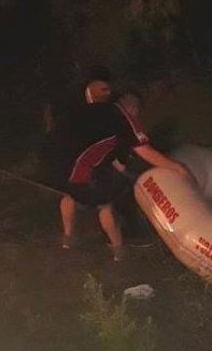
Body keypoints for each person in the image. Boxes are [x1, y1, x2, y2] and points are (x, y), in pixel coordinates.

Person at [48, 90, 190, 261]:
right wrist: (176, 167)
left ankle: (67, 240)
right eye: (138, 110)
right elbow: (143, 149)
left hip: (62, 160)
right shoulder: (126, 119)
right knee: (106, 206)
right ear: (134, 108)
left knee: (70, 196)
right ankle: (118, 250)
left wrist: (120, 167)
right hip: (86, 166)